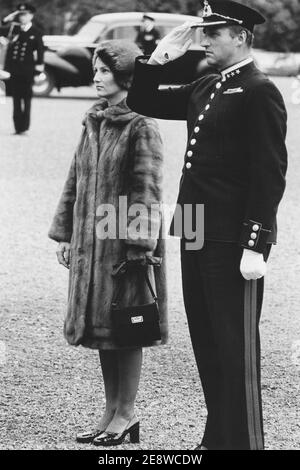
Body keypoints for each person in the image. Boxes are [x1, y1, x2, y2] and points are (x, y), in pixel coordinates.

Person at [127, 0, 288, 450]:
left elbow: (269, 170)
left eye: (212, 33)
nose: (204, 40)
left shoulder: (259, 90)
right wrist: (159, 57)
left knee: (235, 347)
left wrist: (256, 242)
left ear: (240, 36)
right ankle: (218, 437)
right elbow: (142, 99)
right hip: (195, 226)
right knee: (207, 340)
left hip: (231, 234)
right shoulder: (206, 85)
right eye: (202, 32)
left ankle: (245, 443)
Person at [48, 40, 167, 447]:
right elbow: (73, 180)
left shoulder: (141, 125)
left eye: (103, 71)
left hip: (125, 251)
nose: (95, 77)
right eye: (95, 70)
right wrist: (65, 233)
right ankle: (110, 412)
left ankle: (127, 414)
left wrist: (138, 249)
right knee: (103, 330)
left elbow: (147, 190)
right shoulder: (93, 120)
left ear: (125, 76)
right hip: (90, 246)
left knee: (127, 329)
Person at [0, 3, 44, 134]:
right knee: (16, 99)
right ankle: (17, 127)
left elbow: (40, 54)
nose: (22, 18)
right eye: (20, 15)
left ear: (31, 15)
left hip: (28, 72)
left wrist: (38, 72)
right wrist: (8, 18)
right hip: (14, 71)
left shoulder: (36, 32)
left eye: (24, 15)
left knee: (27, 99)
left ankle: (25, 126)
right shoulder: (13, 30)